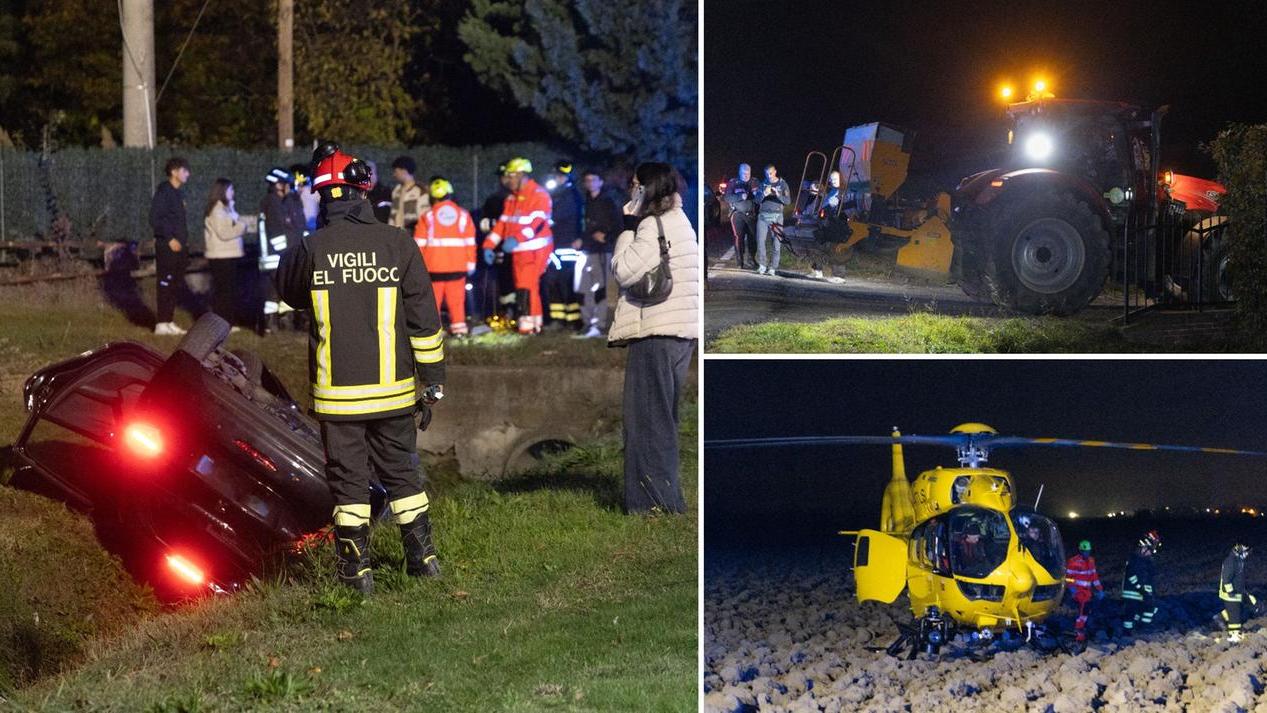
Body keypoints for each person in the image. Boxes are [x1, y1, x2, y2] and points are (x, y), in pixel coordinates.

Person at [274, 142, 446, 594]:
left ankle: (356, 579)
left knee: (349, 486)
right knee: (403, 477)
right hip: (394, 394)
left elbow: (289, 289)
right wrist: (433, 385)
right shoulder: (398, 243)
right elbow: (424, 324)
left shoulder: (309, 249)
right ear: (364, 191)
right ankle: (424, 564)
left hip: (338, 399)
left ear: (320, 196)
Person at [608, 163, 699, 514]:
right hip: (679, 334)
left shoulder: (650, 225)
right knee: (663, 420)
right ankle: (667, 500)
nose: (630, 191)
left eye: (634, 184)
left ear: (645, 189)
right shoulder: (681, 219)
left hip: (656, 334)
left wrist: (627, 227)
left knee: (645, 421)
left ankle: (652, 505)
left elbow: (623, 269)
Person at [482, 158, 554, 335]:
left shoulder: (539, 195)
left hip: (535, 250)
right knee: (527, 286)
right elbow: (502, 225)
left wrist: (517, 239)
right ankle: (534, 324)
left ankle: (528, 325)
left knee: (526, 286)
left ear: (522, 175)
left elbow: (537, 224)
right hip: (519, 250)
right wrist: (488, 246)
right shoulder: (512, 198)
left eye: (511, 176)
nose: (508, 180)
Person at [416, 177, 476, 336]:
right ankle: (459, 330)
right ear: (450, 194)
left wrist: (417, 267)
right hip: (458, 266)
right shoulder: (463, 214)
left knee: (433, 301)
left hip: (433, 267)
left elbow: (419, 244)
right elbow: (470, 241)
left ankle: (433, 332)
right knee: (456, 301)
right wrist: (471, 263)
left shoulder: (427, 216)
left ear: (433, 196)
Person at [149, 156, 199, 335]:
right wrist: (170, 239)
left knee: (174, 284)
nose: (188, 174)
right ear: (174, 172)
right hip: (167, 246)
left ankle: (168, 321)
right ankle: (161, 323)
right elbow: (155, 218)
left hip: (180, 247)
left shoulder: (178, 193)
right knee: (165, 282)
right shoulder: (164, 192)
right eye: (184, 170)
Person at [202, 178, 252, 327]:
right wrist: (242, 227)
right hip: (222, 257)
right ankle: (222, 323)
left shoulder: (225, 209)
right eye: (230, 189)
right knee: (224, 292)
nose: (233, 193)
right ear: (222, 191)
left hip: (227, 255)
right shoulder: (217, 211)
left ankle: (227, 322)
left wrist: (232, 207)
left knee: (228, 292)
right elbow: (224, 233)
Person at [579, 169, 622, 337]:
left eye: (593, 180)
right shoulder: (585, 201)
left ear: (600, 182)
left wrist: (607, 237)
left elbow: (618, 225)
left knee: (601, 288)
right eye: (587, 180)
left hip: (603, 251)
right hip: (587, 250)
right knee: (585, 288)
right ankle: (588, 322)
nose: (590, 183)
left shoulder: (608, 202)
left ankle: (601, 324)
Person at [257, 167, 299, 332]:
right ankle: (273, 325)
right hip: (276, 257)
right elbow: (276, 231)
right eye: (286, 183)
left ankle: (274, 325)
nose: (288, 187)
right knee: (276, 291)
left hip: (272, 257)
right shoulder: (273, 202)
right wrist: (288, 252)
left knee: (273, 293)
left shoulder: (270, 201)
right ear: (278, 185)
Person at [544, 160, 583, 330]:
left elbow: (558, 216)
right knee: (553, 282)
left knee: (567, 282)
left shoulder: (572, 195)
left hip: (567, 245)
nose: (557, 179)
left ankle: (574, 320)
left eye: (560, 176)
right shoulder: (555, 194)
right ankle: (558, 319)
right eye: (556, 176)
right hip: (554, 245)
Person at [1120, 530, 1161, 635]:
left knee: (1149, 609)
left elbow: (1148, 578)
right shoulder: (1136, 559)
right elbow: (1132, 575)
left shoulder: (1145, 560)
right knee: (1131, 612)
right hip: (1133, 592)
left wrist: (1149, 591)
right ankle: (1128, 633)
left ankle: (1141, 628)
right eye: (1149, 550)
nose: (1151, 552)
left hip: (1141, 592)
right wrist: (1140, 588)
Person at [1065, 540, 1106, 643]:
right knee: (1082, 612)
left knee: (1086, 612)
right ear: (1080, 550)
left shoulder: (1091, 561)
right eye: (1085, 551)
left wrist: (1100, 589)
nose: (1086, 553)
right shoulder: (1073, 561)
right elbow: (1068, 577)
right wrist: (1072, 588)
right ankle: (1078, 632)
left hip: (1087, 592)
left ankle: (1081, 630)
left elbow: (1094, 577)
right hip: (1078, 591)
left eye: (1088, 551)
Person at [755, 164, 791, 276]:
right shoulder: (763, 183)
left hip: (777, 217)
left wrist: (778, 194)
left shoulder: (783, 184)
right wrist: (764, 193)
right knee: (760, 241)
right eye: (766, 173)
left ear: (775, 171)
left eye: (770, 173)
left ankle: (773, 267)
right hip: (763, 216)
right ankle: (762, 265)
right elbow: (757, 200)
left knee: (776, 243)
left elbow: (788, 201)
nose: (769, 175)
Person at [722, 163, 758, 269]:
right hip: (737, 214)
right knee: (739, 237)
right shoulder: (733, 182)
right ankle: (740, 262)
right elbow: (727, 197)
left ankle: (751, 259)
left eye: (748, 172)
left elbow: (760, 196)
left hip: (751, 215)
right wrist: (740, 196)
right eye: (744, 173)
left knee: (753, 238)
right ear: (740, 172)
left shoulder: (755, 182)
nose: (747, 175)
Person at [1219, 544, 1256, 642]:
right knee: (1235, 617)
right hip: (1230, 595)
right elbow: (1226, 579)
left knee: (1234, 612)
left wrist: (1245, 594)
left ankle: (1220, 618)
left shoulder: (1238, 561)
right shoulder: (1231, 562)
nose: (1247, 554)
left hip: (1236, 593)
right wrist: (1231, 592)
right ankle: (1233, 636)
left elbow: (1239, 579)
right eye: (1245, 551)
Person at [390, 155, 427, 235]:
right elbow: (393, 215)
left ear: (404, 171)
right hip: (396, 237)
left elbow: (424, 217)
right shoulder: (396, 191)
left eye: (396, 171)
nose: (394, 175)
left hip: (412, 237)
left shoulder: (420, 191)